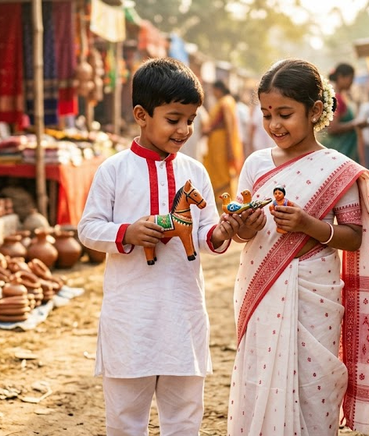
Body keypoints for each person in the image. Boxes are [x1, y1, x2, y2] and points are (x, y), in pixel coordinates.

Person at [77, 57, 244, 436]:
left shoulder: (195, 172)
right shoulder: (114, 170)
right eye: (173, 119)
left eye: (191, 119)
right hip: (130, 317)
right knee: (125, 419)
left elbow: (205, 234)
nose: (184, 129)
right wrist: (127, 233)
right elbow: (88, 229)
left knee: (184, 416)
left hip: (182, 314)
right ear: (141, 115)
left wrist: (224, 232)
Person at [226, 58, 369, 436]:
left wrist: (308, 225)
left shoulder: (338, 169)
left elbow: (354, 235)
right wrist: (243, 228)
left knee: (314, 384)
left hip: (315, 289)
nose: (274, 125)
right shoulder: (256, 164)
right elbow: (243, 232)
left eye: (285, 114)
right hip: (261, 287)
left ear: (315, 111)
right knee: (261, 373)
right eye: (266, 115)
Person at [203, 80, 244, 205]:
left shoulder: (226, 102)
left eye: (214, 90)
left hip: (221, 143)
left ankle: (224, 200)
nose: (213, 93)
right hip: (217, 142)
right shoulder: (225, 101)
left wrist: (230, 148)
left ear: (219, 89)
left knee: (222, 170)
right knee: (216, 169)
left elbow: (229, 125)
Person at [318, 63, 368, 163]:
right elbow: (333, 128)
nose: (352, 82)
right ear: (341, 77)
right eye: (351, 78)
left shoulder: (342, 97)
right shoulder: (337, 99)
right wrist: (355, 124)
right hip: (339, 149)